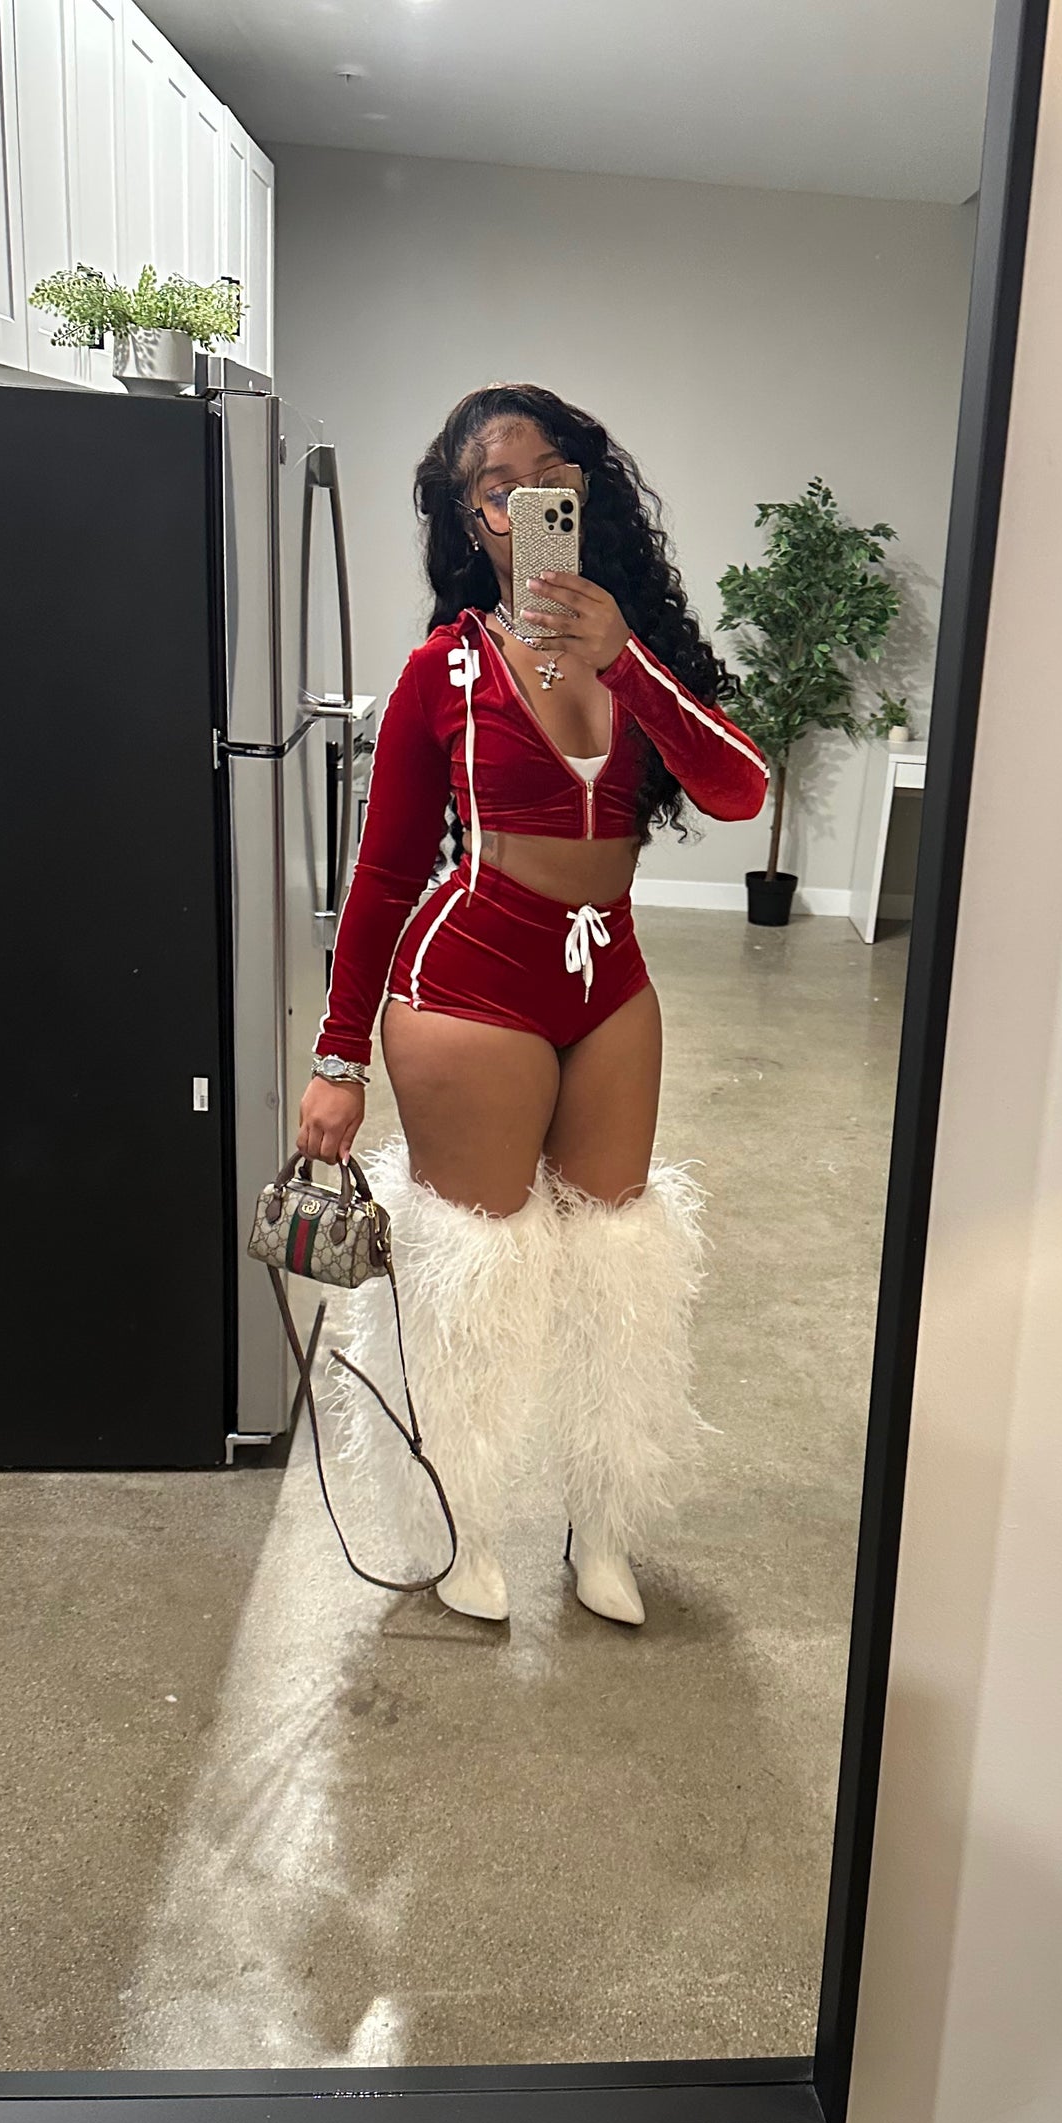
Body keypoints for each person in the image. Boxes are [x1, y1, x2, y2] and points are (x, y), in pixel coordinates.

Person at [297, 383, 767, 1627]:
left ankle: (602, 1522)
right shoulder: (442, 672)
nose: (526, 502)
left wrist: (626, 661)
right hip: (467, 986)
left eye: (549, 474)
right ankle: (457, 1518)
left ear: (584, 487)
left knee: (618, 1261)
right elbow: (385, 874)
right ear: (472, 522)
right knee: (476, 1277)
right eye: (495, 490)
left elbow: (738, 791)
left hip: (611, 984)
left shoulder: (635, 645)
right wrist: (337, 1060)